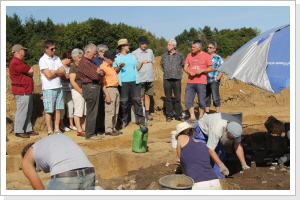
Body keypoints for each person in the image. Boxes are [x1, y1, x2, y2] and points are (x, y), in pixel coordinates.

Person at [21, 134, 96, 190]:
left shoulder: (26, 159)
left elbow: (39, 190)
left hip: (66, 178)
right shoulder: (47, 144)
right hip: (89, 172)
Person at [193, 112, 250, 178]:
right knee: (203, 155)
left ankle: (220, 177)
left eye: (233, 139)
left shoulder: (237, 128)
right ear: (226, 130)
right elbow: (210, 149)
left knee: (220, 154)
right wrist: (221, 165)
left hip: (213, 128)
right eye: (230, 138)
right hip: (201, 130)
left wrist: (243, 164)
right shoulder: (217, 130)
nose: (231, 140)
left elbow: (237, 145)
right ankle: (204, 177)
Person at [113, 38, 149, 129]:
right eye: (127, 45)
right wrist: (120, 66)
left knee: (137, 100)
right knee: (124, 102)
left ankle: (142, 120)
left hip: (134, 81)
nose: (129, 46)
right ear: (122, 47)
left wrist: (141, 63)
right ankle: (123, 121)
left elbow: (136, 68)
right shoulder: (117, 57)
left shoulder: (132, 56)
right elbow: (114, 70)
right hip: (124, 82)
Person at [176, 122, 222, 190]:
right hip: (215, 182)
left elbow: (182, 160)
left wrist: (184, 173)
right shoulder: (203, 145)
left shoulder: (181, 137)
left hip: (199, 184)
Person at [9, 44, 39, 138]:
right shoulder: (17, 62)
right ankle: (19, 130)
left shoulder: (18, 62)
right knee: (22, 111)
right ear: (19, 51)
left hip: (26, 90)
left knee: (28, 111)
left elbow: (30, 71)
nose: (24, 52)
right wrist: (29, 74)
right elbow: (31, 70)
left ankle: (27, 129)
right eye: (23, 50)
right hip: (22, 90)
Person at [77, 43, 106, 140]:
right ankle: (90, 134)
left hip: (93, 87)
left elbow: (102, 72)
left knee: (94, 110)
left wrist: (99, 72)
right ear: (87, 52)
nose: (94, 56)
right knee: (92, 111)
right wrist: (98, 72)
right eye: (93, 54)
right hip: (90, 87)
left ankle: (93, 132)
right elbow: (95, 76)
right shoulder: (84, 62)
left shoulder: (90, 61)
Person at [39, 40, 66, 136]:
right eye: (52, 49)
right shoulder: (43, 60)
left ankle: (57, 128)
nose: (54, 50)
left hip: (58, 86)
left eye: (55, 48)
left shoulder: (57, 58)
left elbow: (63, 71)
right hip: (49, 88)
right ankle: (50, 130)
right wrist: (56, 72)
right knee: (49, 110)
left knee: (58, 109)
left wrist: (53, 72)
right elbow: (48, 76)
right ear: (46, 49)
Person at [183, 40, 213, 123]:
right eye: (192, 47)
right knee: (188, 99)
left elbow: (211, 68)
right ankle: (192, 117)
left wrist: (202, 71)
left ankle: (200, 117)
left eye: (193, 47)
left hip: (201, 82)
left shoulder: (206, 56)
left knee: (201, 100)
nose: (191, 48)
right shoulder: (189, 55)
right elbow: (185, 67)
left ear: (199, 48)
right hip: (190, 81)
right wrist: (189, 72)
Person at [160, 39, 185, 122]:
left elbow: (183, 66)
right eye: (167, 45)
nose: (167, 46)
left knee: (177, 98)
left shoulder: (180, 55)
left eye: (169, 45)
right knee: (168, 98)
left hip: (177, 79)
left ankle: (179, 115)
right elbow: (162, 67)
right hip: (167, 79)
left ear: (174, 46)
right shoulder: (164, 56)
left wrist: (177, 73)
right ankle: (169, 115)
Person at [100, 50, 122, 136]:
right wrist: (107, 95)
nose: (113, 60)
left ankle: (113, 127)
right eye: (112, 59)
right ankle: (108, 129)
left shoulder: (110, 66)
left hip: (115, 88)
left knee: (115, 109)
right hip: (109, 89)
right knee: (110, 110)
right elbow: (102, 83)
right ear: (107, 58)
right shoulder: (103, 67)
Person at [132, 36, 155, 121]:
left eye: (145, 43)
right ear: (139, 44)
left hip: (149, 77)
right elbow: (134, 67)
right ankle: (142, 114)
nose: (144, 45)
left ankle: (147, 114)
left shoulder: (150, 51)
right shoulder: (134, 53)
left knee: (148, 96)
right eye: (142, 43)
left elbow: (152, 62)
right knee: (141, 97)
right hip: (140, 78)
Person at [69, 48, 86, 137]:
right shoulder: (73, 68)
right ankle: (79, 129)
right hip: (77, 90)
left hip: (84, 90)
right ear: (74, 58)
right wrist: (80, 91)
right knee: (78, 110)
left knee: (84, 111)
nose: (81, 59)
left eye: (81, 57)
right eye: (79, 57)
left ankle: (84, 128)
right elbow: (72, 81)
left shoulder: (83, 66)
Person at [59, 50, 77, 132]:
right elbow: (64, 77)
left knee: (71, 106)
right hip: (62, 89)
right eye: (70, 59)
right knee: (62, 108)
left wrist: (70, 76)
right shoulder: (60, 65)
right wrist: (71, 76)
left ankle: (71, 124)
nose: (71, 61)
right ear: (67, 58)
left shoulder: (69, 67)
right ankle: (61, 124)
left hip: (69, 89)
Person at [204, 41, 224, 113]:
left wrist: (218, 78)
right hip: (205, 80)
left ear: (214, 49)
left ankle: (217, 113)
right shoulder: (205, 57)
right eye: (207, 47)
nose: (208, 48)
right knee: (206, 97)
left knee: (215, 97)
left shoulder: (218, 58)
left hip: (214, 80)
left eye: (210, 47)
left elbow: (222, 69)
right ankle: (207, 112)